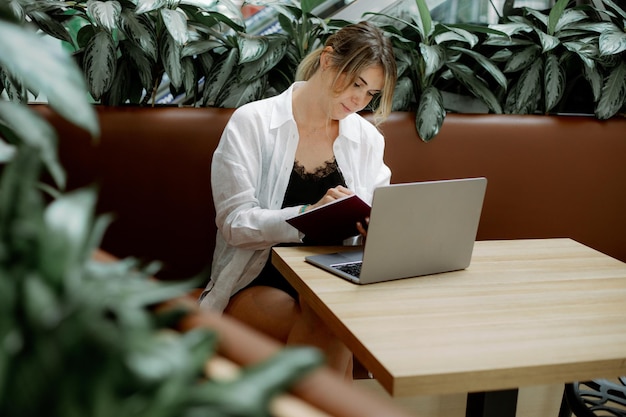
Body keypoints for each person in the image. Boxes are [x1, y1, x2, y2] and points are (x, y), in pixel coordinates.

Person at [199, 21, 397, 379]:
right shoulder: (253, 123)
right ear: (327, 60)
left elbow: (382, 211)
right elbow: (234, 223)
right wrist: (308, 214)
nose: (359, 100)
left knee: (332, 314)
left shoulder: (367, 139)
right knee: (330, 325)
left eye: (371, 94)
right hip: (258, 278)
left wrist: (375, 228)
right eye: (356, 84)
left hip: (336, 279)